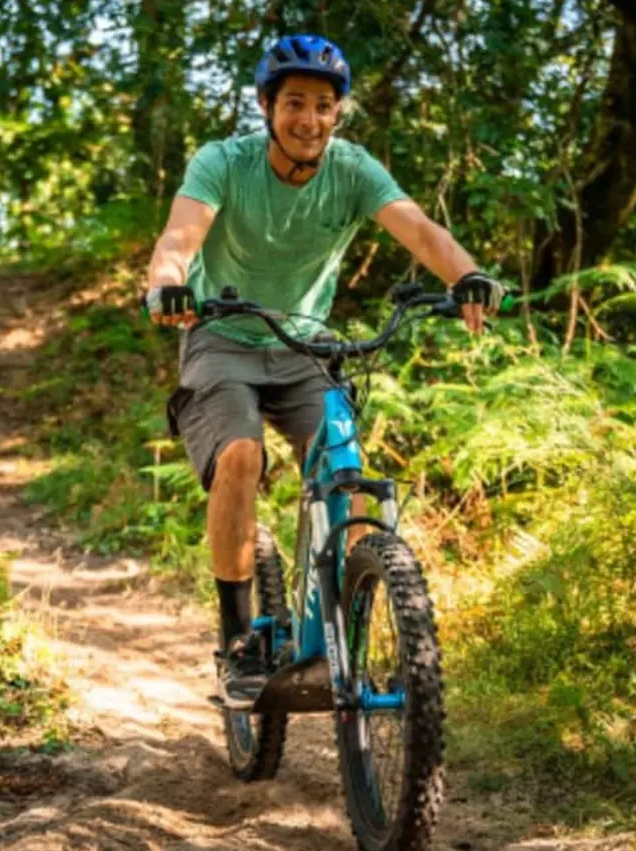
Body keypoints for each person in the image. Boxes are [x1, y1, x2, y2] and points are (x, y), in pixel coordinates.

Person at [141, 34, 504, 699]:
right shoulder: (223, 162)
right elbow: (180, 237)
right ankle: (239, 639)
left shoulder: (354, 170)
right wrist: (166, 282)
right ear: (267, 107)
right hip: (222, 340)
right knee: (241, 460)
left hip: (309, 346)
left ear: (339, 112)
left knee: (351, 482)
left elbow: (419, 229)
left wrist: (469, 274)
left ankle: (348, 630)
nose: (308, 119)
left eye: (323, 105)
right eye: (294, 104)